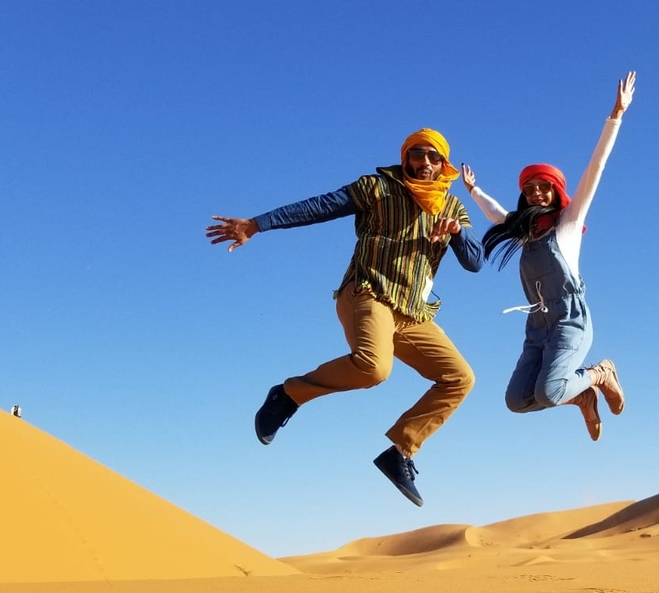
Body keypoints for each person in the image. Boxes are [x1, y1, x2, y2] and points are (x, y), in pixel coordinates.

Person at [206, 129, 482, 507]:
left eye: (434, 158)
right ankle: (288, 394)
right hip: (368, 292)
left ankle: (400, 451)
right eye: (418, 155)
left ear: (444, 164)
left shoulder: (451, 207)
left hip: (412, 312)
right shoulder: (377, 187)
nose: (425, 163)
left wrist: (457, 234)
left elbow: (475, 262)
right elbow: (321, 206)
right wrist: (257, 224)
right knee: (374, 368)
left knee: (459, 378)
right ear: (406, 157)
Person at [460, 71, 634, 441]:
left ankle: (601, 373)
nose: (536, 193)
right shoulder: (523, 231)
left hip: (571, 322)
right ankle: (583, 397)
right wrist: (474, 190)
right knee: (517, 400)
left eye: (544, 187)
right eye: (529, 189)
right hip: (538, 328)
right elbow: (496, 214)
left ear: (556, 191)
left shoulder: (569, 223)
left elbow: (595, 170)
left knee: (549, 390)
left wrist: (615, 116)